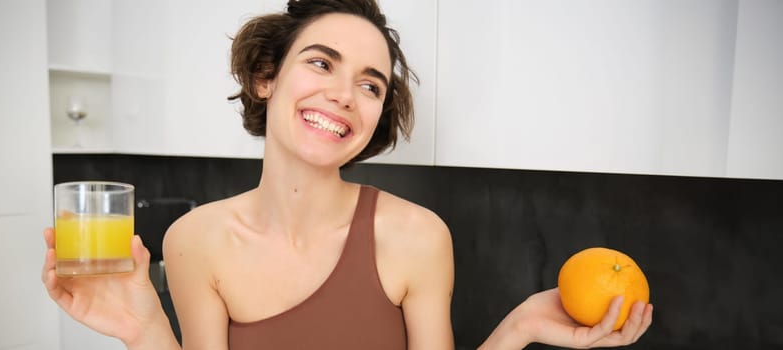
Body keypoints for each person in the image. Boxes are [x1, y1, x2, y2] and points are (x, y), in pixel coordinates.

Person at [41, 0, 654, 349]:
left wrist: (519, 327)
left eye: (369, 84)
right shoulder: (195, 241)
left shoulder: (416, 238)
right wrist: (146, 328)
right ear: (265, 78)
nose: (343, 95)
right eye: (320, 63)